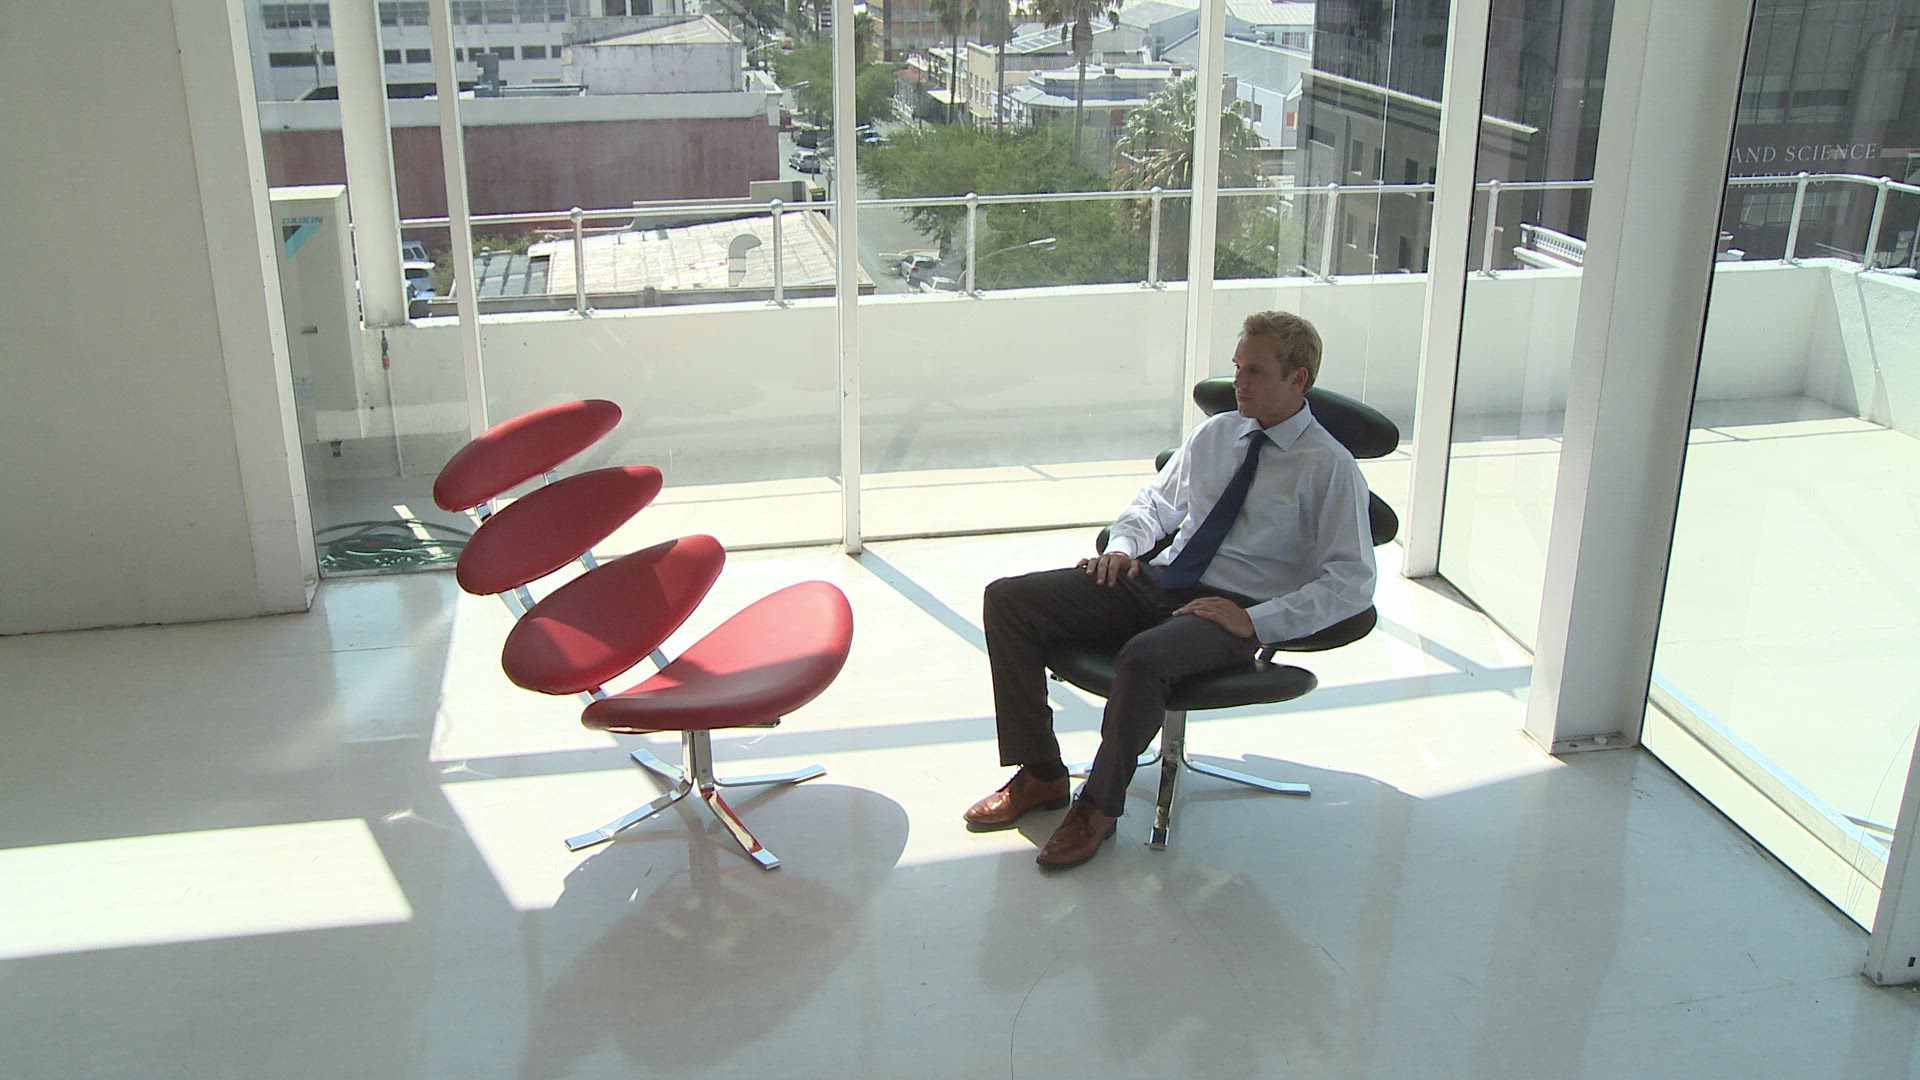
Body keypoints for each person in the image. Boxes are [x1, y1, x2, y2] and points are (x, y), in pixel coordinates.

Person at [965, 311, 1378, 869]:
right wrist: (1123, 549)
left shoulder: (1329, 467)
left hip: (1232, 608)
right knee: (1009, 601)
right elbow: (1155, 505)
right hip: (1162, 579)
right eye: (1237, 367)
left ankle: (1098, 807)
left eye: (1255, 371)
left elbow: (1352, 581)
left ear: (1298, 378)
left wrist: (1256, 622)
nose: (1238, 382)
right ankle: (1040, 774)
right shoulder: (1218, 433)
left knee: (1144, 657)